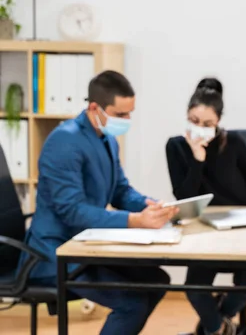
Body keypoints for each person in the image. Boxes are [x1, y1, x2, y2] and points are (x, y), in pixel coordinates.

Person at [19, 70, 179, 335]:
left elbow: (120, 191)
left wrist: (147, 205)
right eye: (121, 114)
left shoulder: (107, 138)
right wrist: (134, 221)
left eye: (130, 114)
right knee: (131, 303)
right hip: (54, 254)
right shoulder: (64, 142)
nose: (127, 121)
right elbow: (72, 211)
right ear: (95, 107)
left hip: (85, 247)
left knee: (156, 280)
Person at [166, 78, 246, 335]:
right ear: (186, 115)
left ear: (218, 122)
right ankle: (221, 328)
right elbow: (183, 195)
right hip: (205, 227)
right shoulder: (175, 147)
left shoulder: (234, 142)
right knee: (194, 289)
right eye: (194, 121)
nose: (199, 128)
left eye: (207, 124)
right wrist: (197, 160)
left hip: (244, 222)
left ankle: (215, 324)